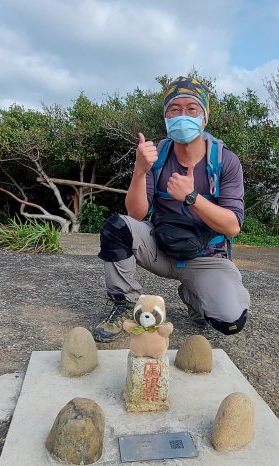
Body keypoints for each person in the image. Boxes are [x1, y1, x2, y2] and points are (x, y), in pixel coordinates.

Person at [93, 76, 250, 343]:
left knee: (231, 322)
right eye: (174, 109)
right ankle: (124, 303)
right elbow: (136, 215)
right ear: (165, 117)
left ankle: (191, 294)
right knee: (118, 226)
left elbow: (232, 225)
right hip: (160, 246)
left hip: (206, 256)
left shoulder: (226, 161)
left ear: (205, 117)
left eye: (192, 108)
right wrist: (140, 170)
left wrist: (191, 197)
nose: (182, 115)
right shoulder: (157, 156)